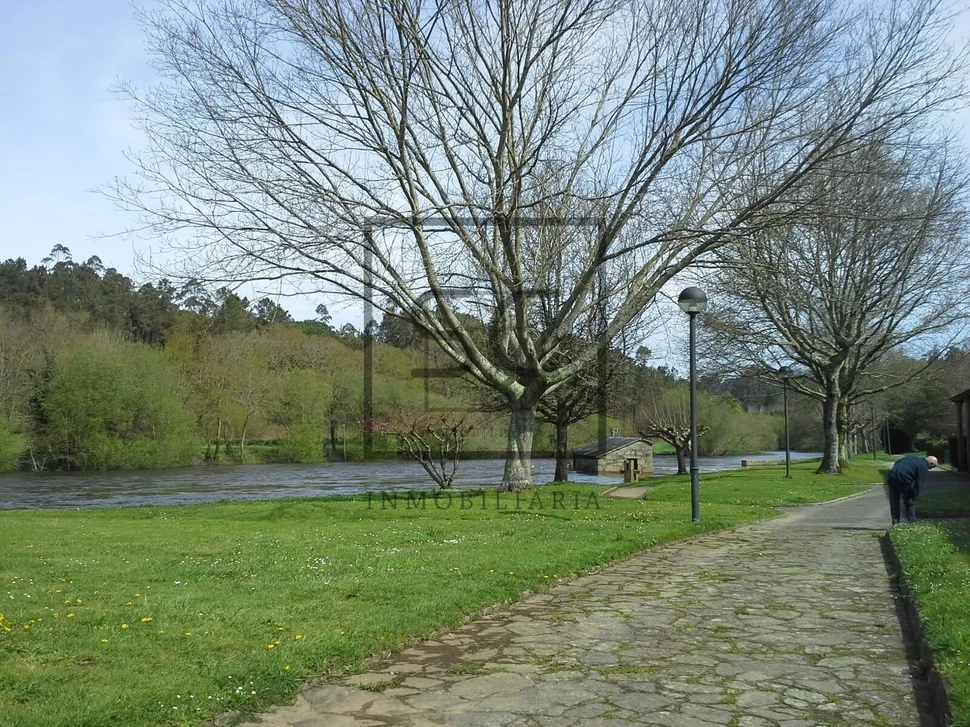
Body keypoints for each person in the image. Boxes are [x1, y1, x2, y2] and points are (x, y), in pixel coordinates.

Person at [886, 454, 938, 525]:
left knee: (894, 500)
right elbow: (918, 484)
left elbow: (897, 462)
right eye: (931, 467)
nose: (929, 469)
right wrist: (913, 497)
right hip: (903, 478)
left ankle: (895, 522)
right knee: (909, 501)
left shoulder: (912, 457)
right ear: (930, 463)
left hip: (892, 475)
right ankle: (912, 522)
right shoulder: (924, 467)